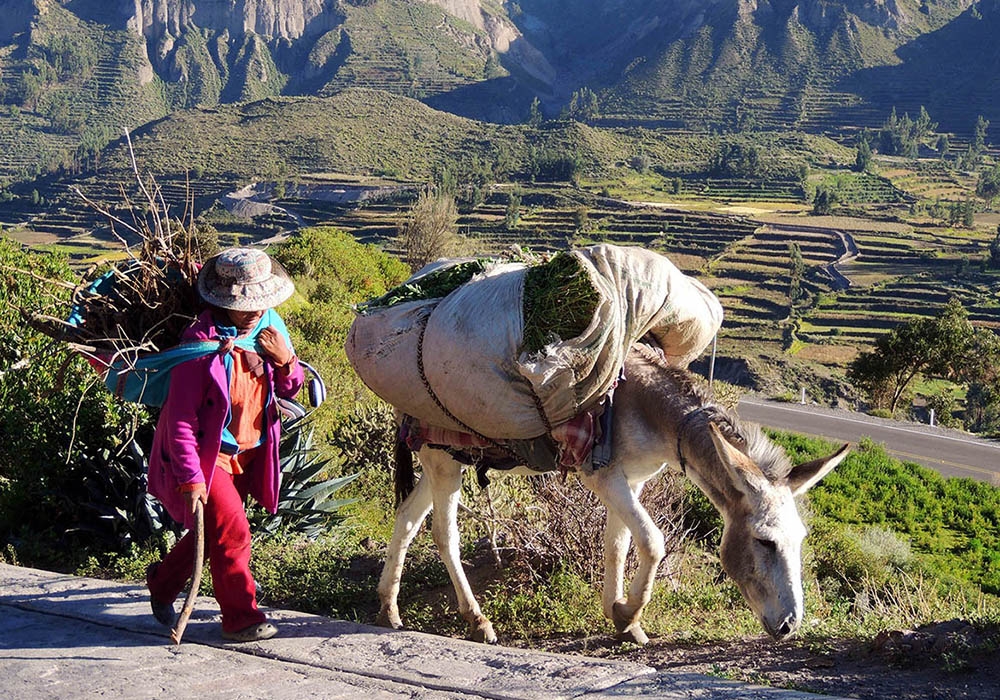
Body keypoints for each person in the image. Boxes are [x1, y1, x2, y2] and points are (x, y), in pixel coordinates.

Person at [145, 247, 304, 642]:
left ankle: (162, 583)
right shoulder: (199, 345)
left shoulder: (270, 327)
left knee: (215, 530)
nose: (253, 311)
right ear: (221, 300)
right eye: (243, 304)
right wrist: (190, 478)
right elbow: (180, 419)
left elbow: (290, 389)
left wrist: (286, 360)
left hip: (250, 453)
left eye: (259, 301)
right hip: (208, 457)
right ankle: (241, 618)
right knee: (233, 530)